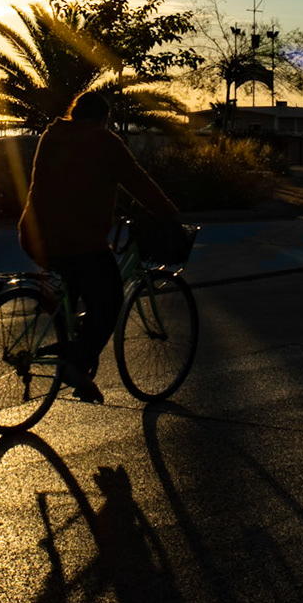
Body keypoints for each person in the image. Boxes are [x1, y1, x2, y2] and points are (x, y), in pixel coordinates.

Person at [18, 89, 181, 402]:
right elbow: (138, 181)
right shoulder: (104, 141)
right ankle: (75, 366)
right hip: (77, 243)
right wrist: (169, 214)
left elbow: (71, 182)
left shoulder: (52, 136)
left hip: (34, 236)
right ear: (103, 119)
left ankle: (68, 346)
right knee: (109, 300)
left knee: (78, 289)